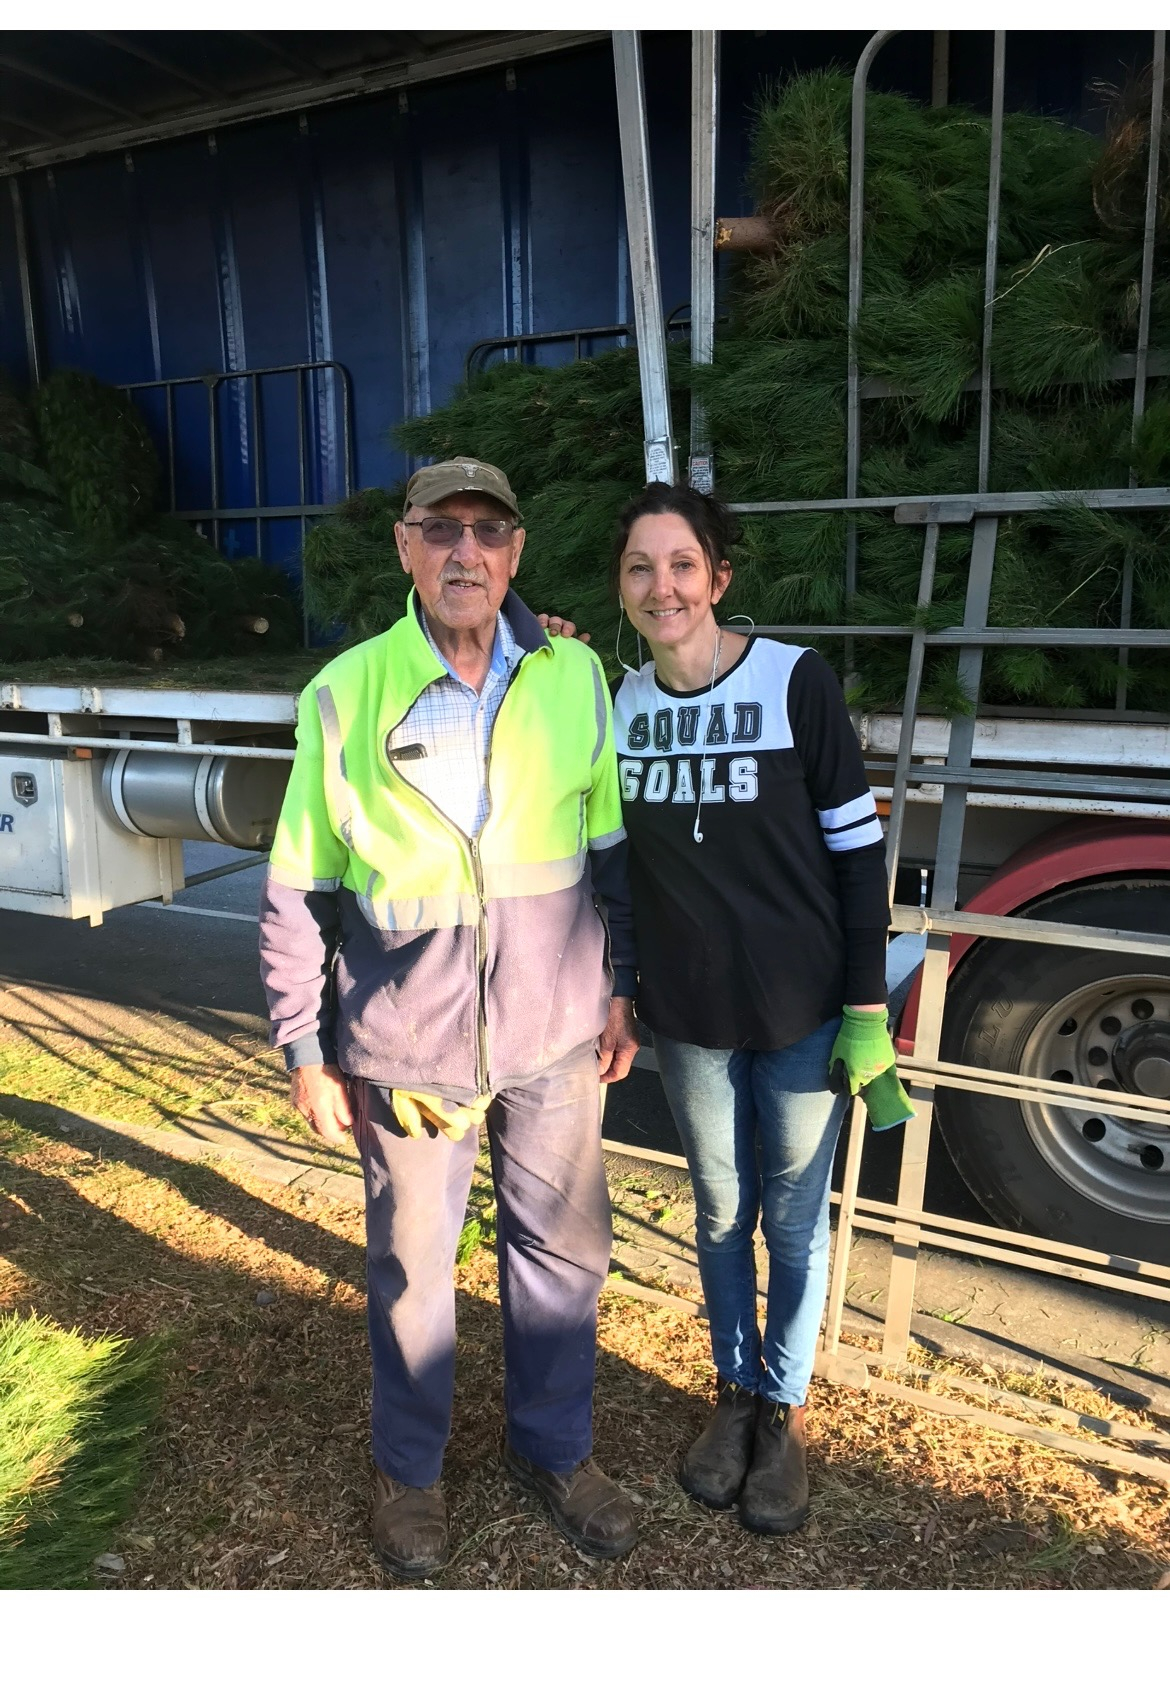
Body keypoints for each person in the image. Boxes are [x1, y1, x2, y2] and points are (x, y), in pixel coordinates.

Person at [259, 458, 641, 1579]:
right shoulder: (344, 692)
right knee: (416, 1266)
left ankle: (555, 1451)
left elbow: (610, 851)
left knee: (564, 1252)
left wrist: (624, 986)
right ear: (406, 548)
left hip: (558, 1030)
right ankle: (409, 1475)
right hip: (409, 1041)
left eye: (488, 531)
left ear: (517, 553)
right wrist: (302, 1043)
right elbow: (298, 885)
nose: (465, 551)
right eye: (441, 530)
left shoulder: (575, 675)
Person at [549, 480, 911, 1537]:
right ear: (622, 591)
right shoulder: (615, 705)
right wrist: (544, 636)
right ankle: (733, 1394)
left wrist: (863, 1006)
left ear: (719, 578)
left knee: (794, 1225)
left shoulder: (797, 681)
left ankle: (784, 1417)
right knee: (720, 1215)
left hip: (804, 1013)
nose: (662, 586)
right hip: (693, 1016)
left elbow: (858, 859)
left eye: (680, 565)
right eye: (639, 568)